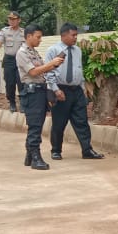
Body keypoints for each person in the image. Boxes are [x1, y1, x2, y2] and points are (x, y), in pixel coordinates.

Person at [45, 23, 105, 160]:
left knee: (82, 121)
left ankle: (87, 150)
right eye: (73, 35)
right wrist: (55, 89)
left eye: (76, 35)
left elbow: (79, 69)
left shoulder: (77, 50)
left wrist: (83, 88)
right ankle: (56, 150)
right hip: (61, 90)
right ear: (64, 35)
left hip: (76, 91)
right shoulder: (53, 50)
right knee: (59, 123)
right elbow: (48, 72)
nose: (75, 38)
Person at [17, 24, 64, 170]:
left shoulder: (34, 52)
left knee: (37, 124)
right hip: (32, 93)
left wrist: (53, 65)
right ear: (29, 36)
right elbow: (33, 72)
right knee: (35, 126)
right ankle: (35, 157)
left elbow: (41, 71)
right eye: (38, 37)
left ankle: (30, 156)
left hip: (39, 91)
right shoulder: (22, 52)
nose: (40, 40)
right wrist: (51, 63)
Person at [0, 11, 25, 112]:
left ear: (19, 20)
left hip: (21, 60)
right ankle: (12, 102)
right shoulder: (4, 31)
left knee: (21, 82)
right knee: (10, 83)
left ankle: (23, 103)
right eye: (9, 19)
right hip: (9, 60)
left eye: (13, 19)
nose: (11, 21)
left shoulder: (24, 32)